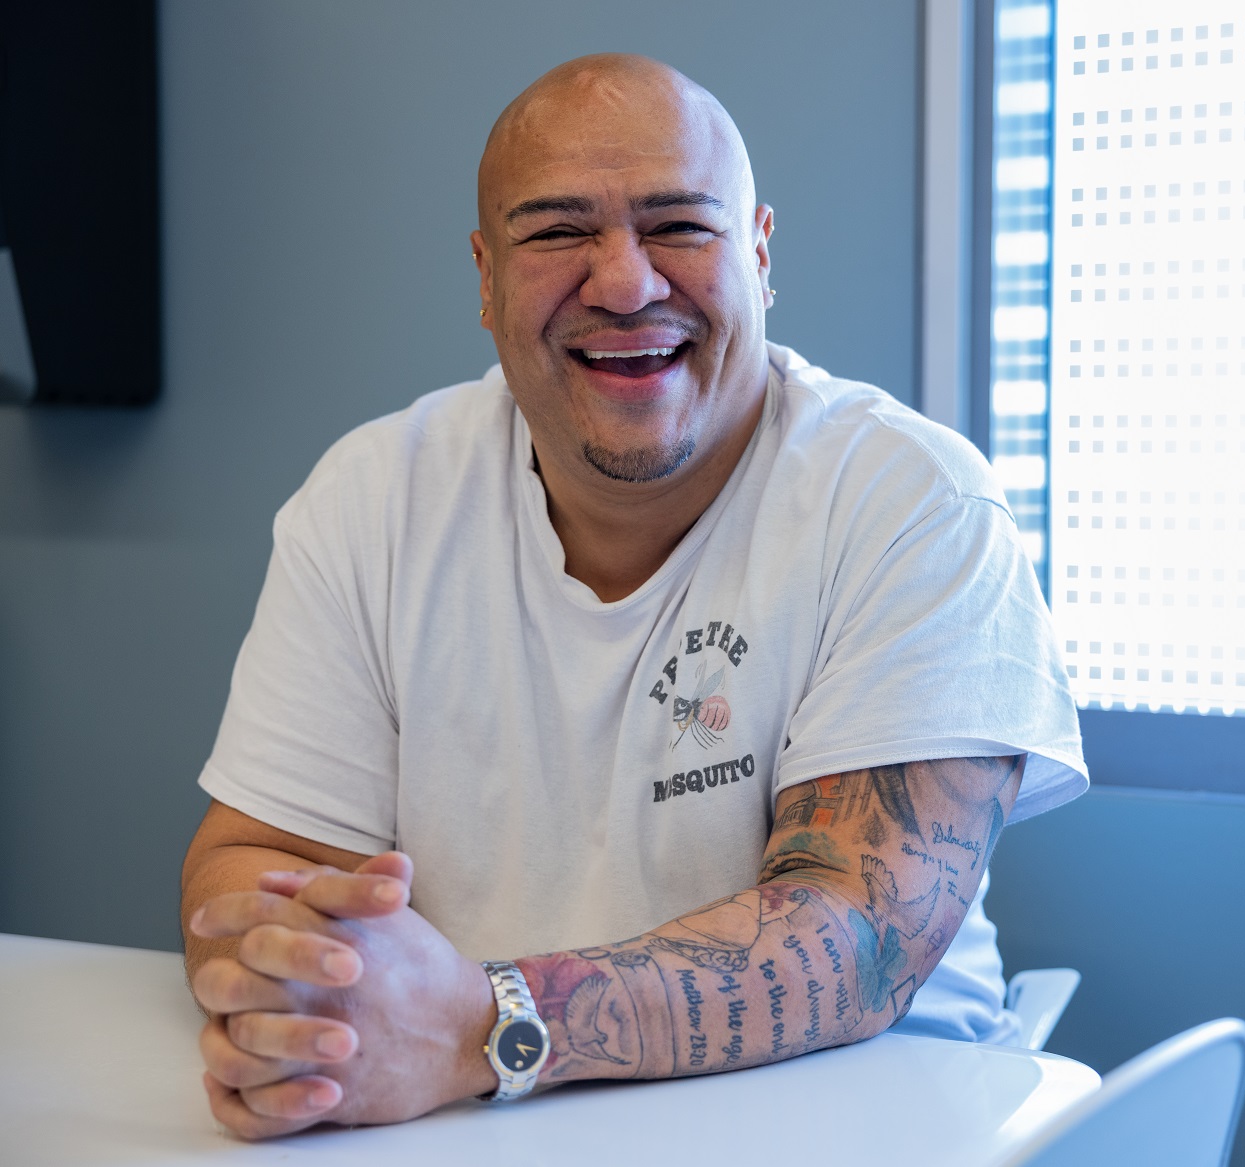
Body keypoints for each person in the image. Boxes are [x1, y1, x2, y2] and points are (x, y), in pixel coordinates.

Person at [180, 52, 1085, 1140]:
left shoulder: (914, 501)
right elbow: (253, 862)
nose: (623, 282)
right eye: (557, 232)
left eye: (679, 228)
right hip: (487, 1125)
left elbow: (856, 935)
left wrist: (483, 1028)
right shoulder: (374, 495)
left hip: (871, 1127)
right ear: (483, 277)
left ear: (758, 253)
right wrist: (303, 1003)